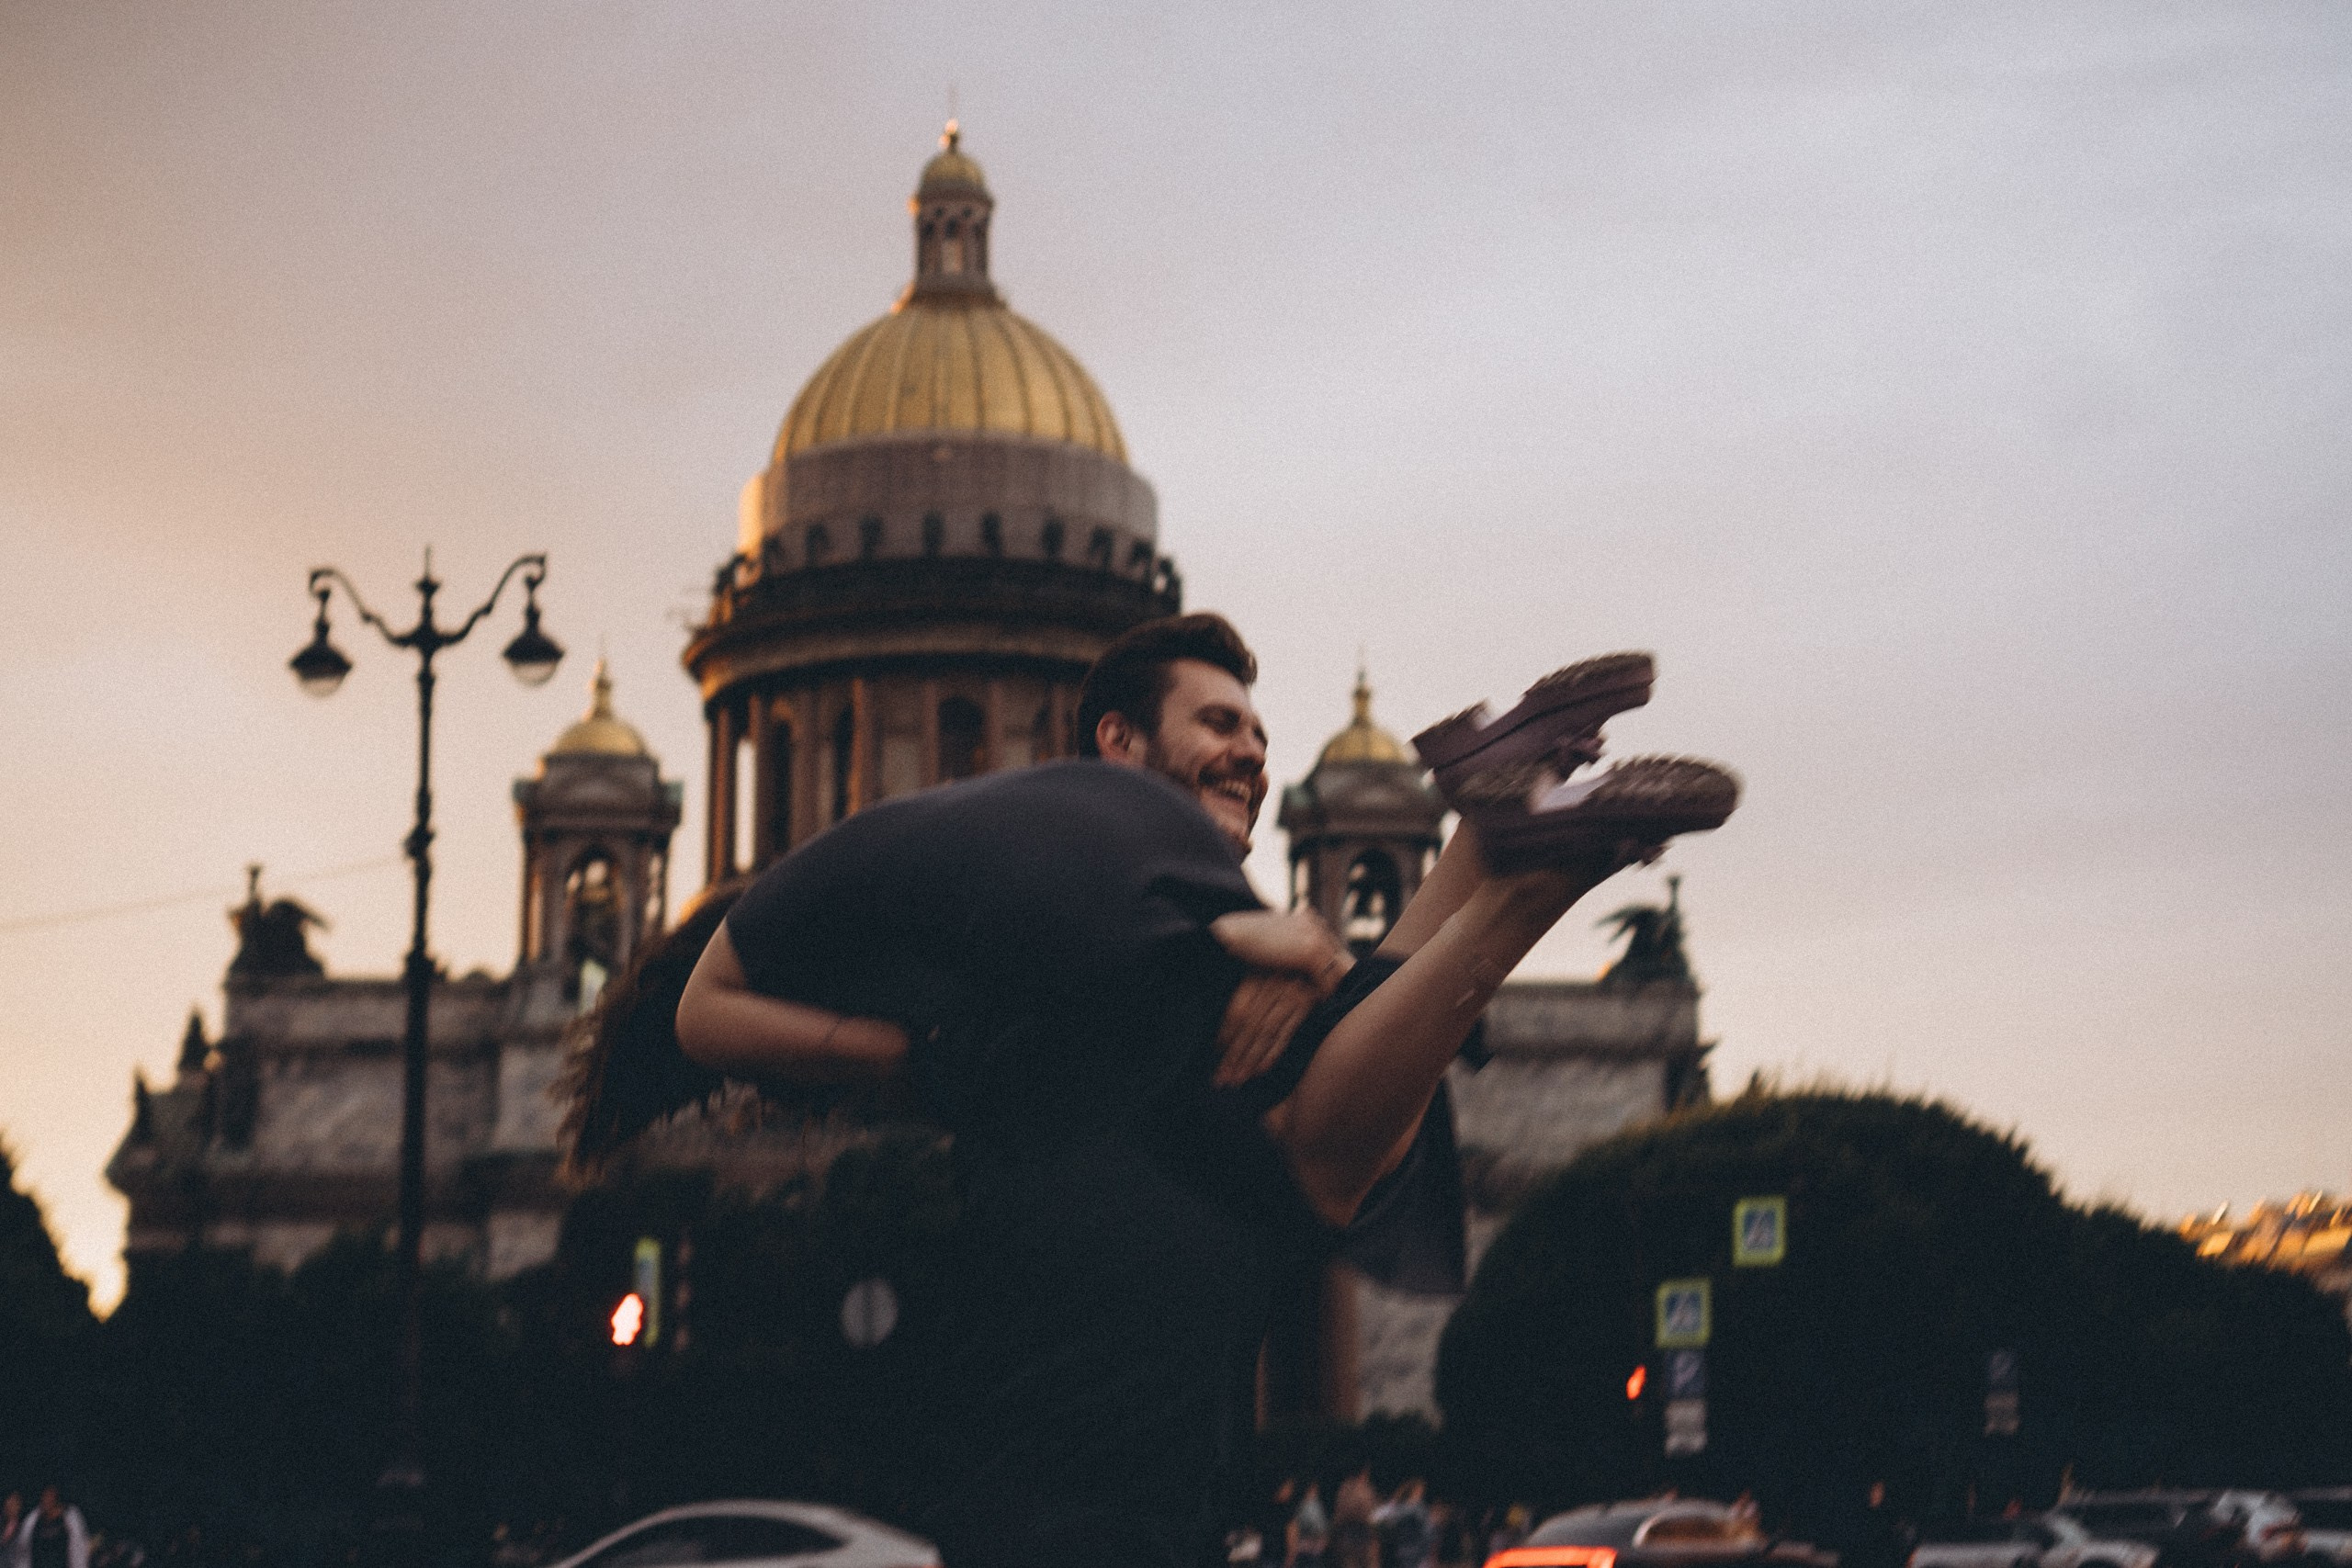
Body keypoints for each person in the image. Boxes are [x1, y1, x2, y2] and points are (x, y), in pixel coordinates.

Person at [601, 614, 1735, 1565]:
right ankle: (1518, 860)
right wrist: (921, 1066)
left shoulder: (1156, 918)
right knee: (1320, 1159)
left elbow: (1333, 996)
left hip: (1144, 1495)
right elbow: (726, 1006)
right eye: (1217, 724)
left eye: (1257, 732)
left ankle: (1508, 848)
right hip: (1054, 1490)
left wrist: (1267, 949)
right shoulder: (1043, 853)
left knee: (1329, 1136)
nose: (1249, 751)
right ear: (1114, 740)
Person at [16, 1488, 89, 1568]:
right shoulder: (33, 1520)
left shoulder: (71, 1518)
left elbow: (78, 1551)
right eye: (45, 1495)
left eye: (50, 1495)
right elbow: (23, 1551)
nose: (47, 1499)